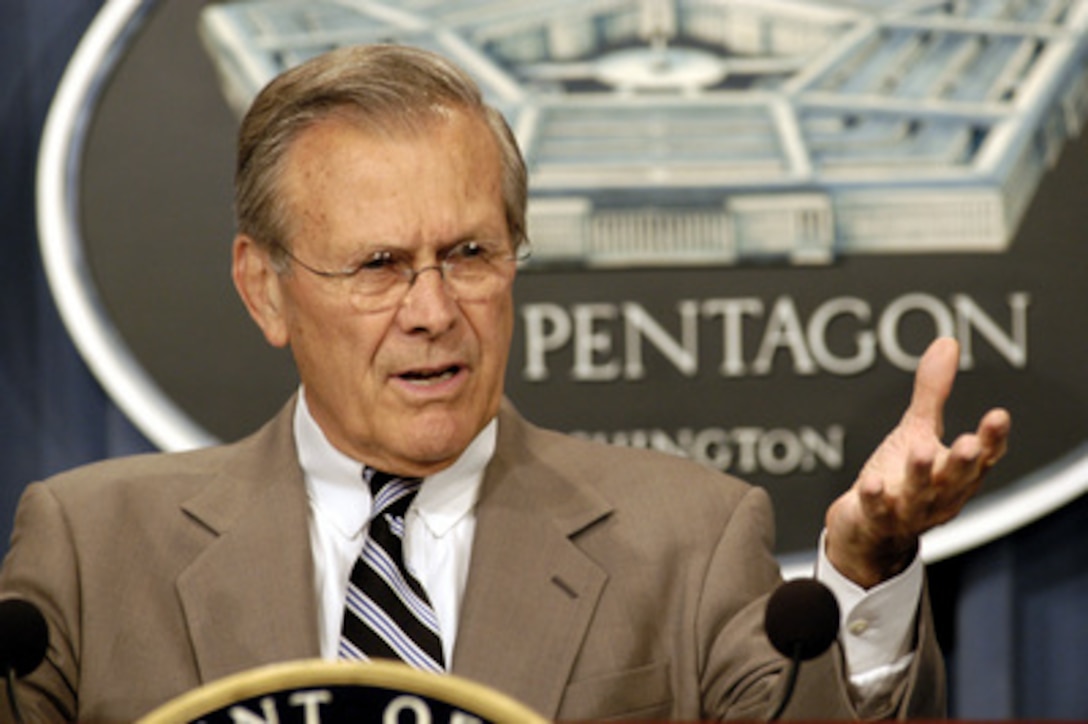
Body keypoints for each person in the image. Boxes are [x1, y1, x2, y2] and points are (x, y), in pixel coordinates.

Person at [0, 44, 1009, 722]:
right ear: (265, 290)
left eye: (471, 252)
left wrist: (864, 571)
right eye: (379, 265)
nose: (434, 308)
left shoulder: (686, 540)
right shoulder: (94, 555)